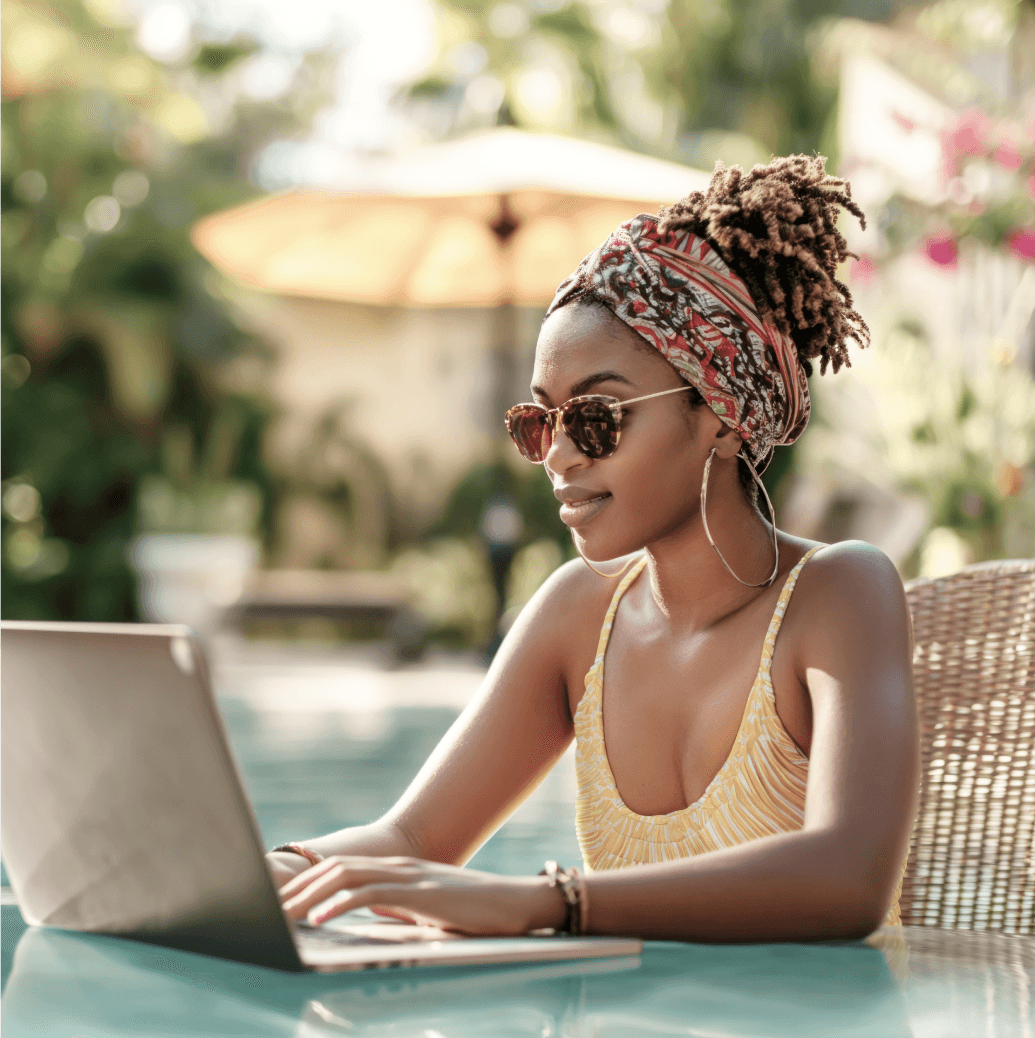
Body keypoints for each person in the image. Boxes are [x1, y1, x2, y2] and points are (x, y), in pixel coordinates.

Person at [269, 155, 920, 943]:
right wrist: (269, 868)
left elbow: (845, 878)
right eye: (538, 421)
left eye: (598, 419)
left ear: (718, 414)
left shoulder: (837, 592)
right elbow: (410, 841)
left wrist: (551, 902)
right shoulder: (579, 612)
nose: (557, 455)